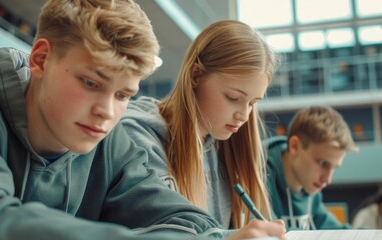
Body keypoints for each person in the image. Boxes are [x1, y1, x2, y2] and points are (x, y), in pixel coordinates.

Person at [0, 1, 273, 239]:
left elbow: (184, 220)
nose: (107, 112)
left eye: (123, 95)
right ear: (41, 59)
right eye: (91, 83)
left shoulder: (110, 141)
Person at [121, 20, 286, 239]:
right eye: (233, 98)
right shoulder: (137, 136)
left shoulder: (226, 145)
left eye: (253, 102)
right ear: (196, 76)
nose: (244, 115)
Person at [264, 106, 359, 230]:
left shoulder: (309, 185)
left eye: (334, 167)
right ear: (295, 146)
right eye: (322, 163)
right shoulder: (258, 177)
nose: (327, 179)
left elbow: (337, 231)